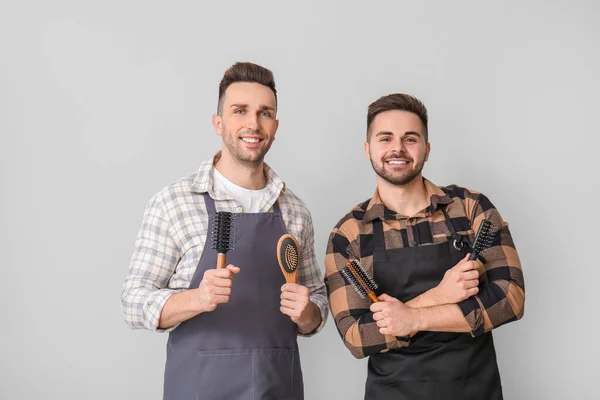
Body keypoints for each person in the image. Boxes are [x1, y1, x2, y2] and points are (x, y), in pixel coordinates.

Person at [121, 62, 328, 400]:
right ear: (218, 123)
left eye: (264, 113)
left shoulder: (295, 211)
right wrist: (196, 299)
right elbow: (132, 302)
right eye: (239, 111)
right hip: (200, 388)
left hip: (278, 387)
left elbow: (315, 301)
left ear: (275, 126)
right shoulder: (174, 203)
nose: (253, 123)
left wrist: (308, 313)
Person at [325, 93, 525, 400]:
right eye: (385, 138)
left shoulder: (469, 208)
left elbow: (510, 299)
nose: (397, 149)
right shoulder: (349, 234)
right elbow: (356, 337)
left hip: (474, 389)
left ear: (427, 149)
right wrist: (438, 296)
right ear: (368, 150)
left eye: (410, 138)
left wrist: (415, 318)